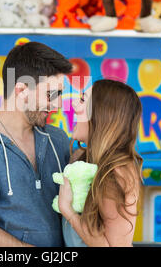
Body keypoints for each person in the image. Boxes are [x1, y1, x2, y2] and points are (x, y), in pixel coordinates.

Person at [0, 42, 73, 247]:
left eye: (59, 94)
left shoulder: (58, 139)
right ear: (21, 90)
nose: (57, 105)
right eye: (50, 95)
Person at [57, 79, 144, 247]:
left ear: (102, 114)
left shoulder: (116, 172)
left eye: (83, 100)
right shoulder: (80, 157)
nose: (74, 104)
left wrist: (67, 209)